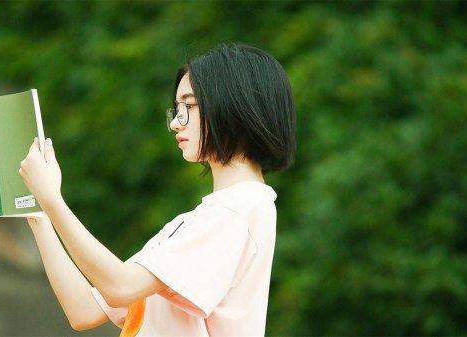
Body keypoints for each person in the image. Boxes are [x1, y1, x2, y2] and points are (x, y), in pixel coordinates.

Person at [19, 43, 296, 336]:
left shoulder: (237, 210)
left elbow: (121, 287)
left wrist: (52, 200)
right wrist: (40, 211)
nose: (176, 123)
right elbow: (84, 310)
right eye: (176, 110)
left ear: (235, 106)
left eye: (188, 106)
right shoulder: (202, 221)